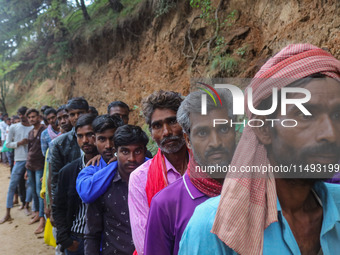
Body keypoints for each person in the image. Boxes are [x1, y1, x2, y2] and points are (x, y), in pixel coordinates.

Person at [179, 44, 340, 255]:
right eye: (306, 115)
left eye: (337, 116)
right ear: (264, 129)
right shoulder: (214, 227)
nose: (330, 133)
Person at [144, 89, 236, 255]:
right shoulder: (165, 204)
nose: (215, 142)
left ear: (235, 132)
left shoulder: (261, 188)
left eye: (223, 129)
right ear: (188, 140)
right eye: (202, 133)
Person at [128, 90, 189, 254]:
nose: (166, 131)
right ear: (151, 132)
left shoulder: (208, 169)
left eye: (172, 121)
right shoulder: (140, 178)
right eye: (157, 126)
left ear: (186, 123)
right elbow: (144, 244)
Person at [85, 125, 149, 255]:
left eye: (137, 151)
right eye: (125, 152)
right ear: (116, 152)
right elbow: (92, 234)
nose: (131, 158)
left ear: (145, 151)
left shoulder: (155, 182)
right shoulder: (103, 185)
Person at [53, 114, 98, 255]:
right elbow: (58, 206)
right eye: (80, 136)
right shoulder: (68, 171)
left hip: (103, 239)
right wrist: (65, 239)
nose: (85, 141)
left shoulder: (111, 168)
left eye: (90, 135)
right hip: (76, 239)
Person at [76, 114, 124, 203]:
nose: (108, 145)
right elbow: (86, 194)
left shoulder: (133, 162)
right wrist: (116, 163)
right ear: (94, 140)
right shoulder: (90, 169)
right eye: (102, 139)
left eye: (112, 139)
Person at [49, 97, 89, 202]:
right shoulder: (59, 143)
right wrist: (55, 206)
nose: (76, 117)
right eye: (72, 114)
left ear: (88, 113)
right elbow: (55, 178)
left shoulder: (99, 138)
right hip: (72, 197)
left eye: (80, 113)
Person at [0, 106, 33, 223]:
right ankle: (8, 213)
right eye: (20, 114)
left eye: (24, 114)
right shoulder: (14, 127)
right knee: (12, 185)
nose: (22, 116)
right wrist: (19, 143)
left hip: (31, 160)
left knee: (30, 184)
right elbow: (7, 144)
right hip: (19, 160)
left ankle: (27, 206)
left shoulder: (34, 128)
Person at [25, 108, 46, 234]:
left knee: (40, 192)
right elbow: (29, 149)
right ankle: (37, 213)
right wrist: (26, 169)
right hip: (30, 165)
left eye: (33, 116)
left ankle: (42, 220)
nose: (32, 119)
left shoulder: (44, 131)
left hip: (40, 166)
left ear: (39, 117)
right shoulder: (30, 132)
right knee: (33, 191)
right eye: (30, 117)